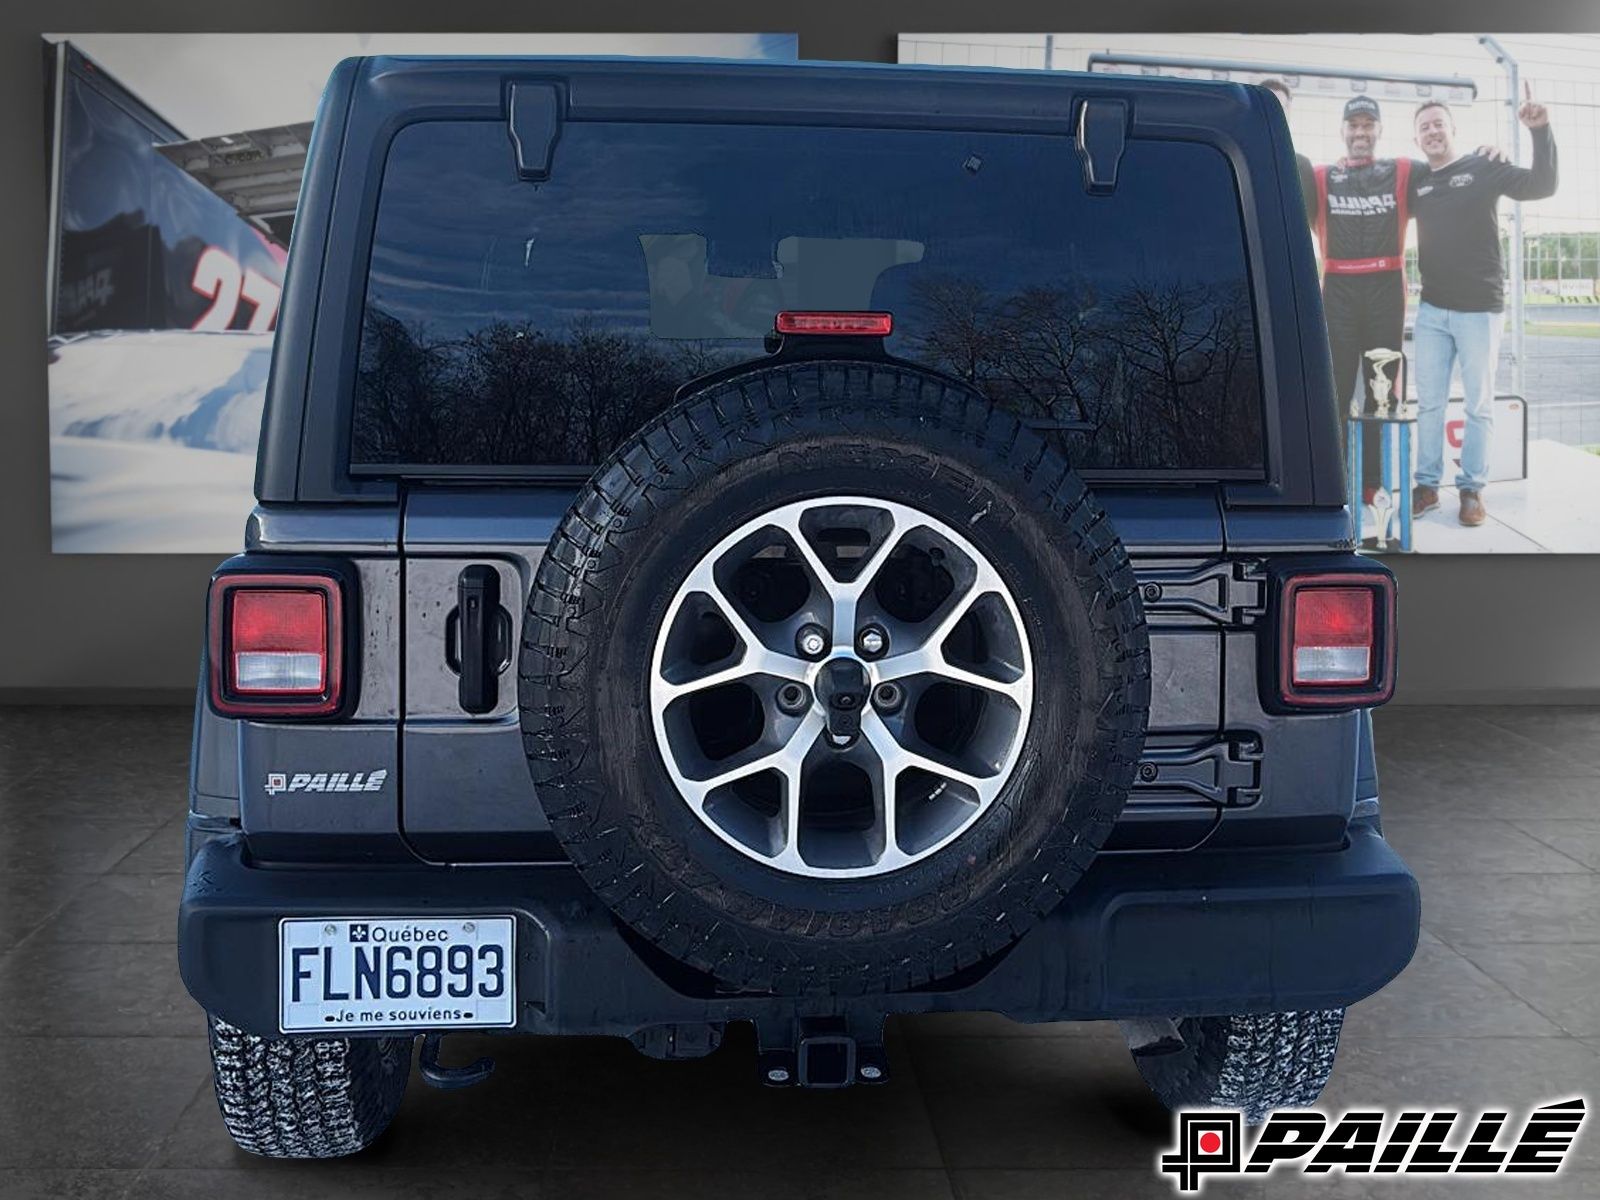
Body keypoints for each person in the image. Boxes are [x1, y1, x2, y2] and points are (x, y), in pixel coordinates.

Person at [1409, 86, 1558, 527]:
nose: (1432, 131)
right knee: (1429, 405)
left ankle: (1472, 489)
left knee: (1479, 405)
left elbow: (1542, 185)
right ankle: (1427, 486)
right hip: (1432, 310)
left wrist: (1539, 130)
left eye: (1438, 123)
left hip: (1479, 310)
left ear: (1453, 129)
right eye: (1424, 127)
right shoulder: (1417, 180)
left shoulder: (1484, 165)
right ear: (1417, 139)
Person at [1305, 96, 1415, 524]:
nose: (1360, 133)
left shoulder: (1403, 171)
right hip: (1338, 292)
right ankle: (1335, 483)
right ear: (1342, 131)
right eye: (1353, 125)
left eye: (1369, 125)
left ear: (1380, 130)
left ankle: (1373, 484)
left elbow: (1447, 184)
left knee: (1378, 397)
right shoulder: (1319, 176)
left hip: (1387, 291)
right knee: (1333, 393)